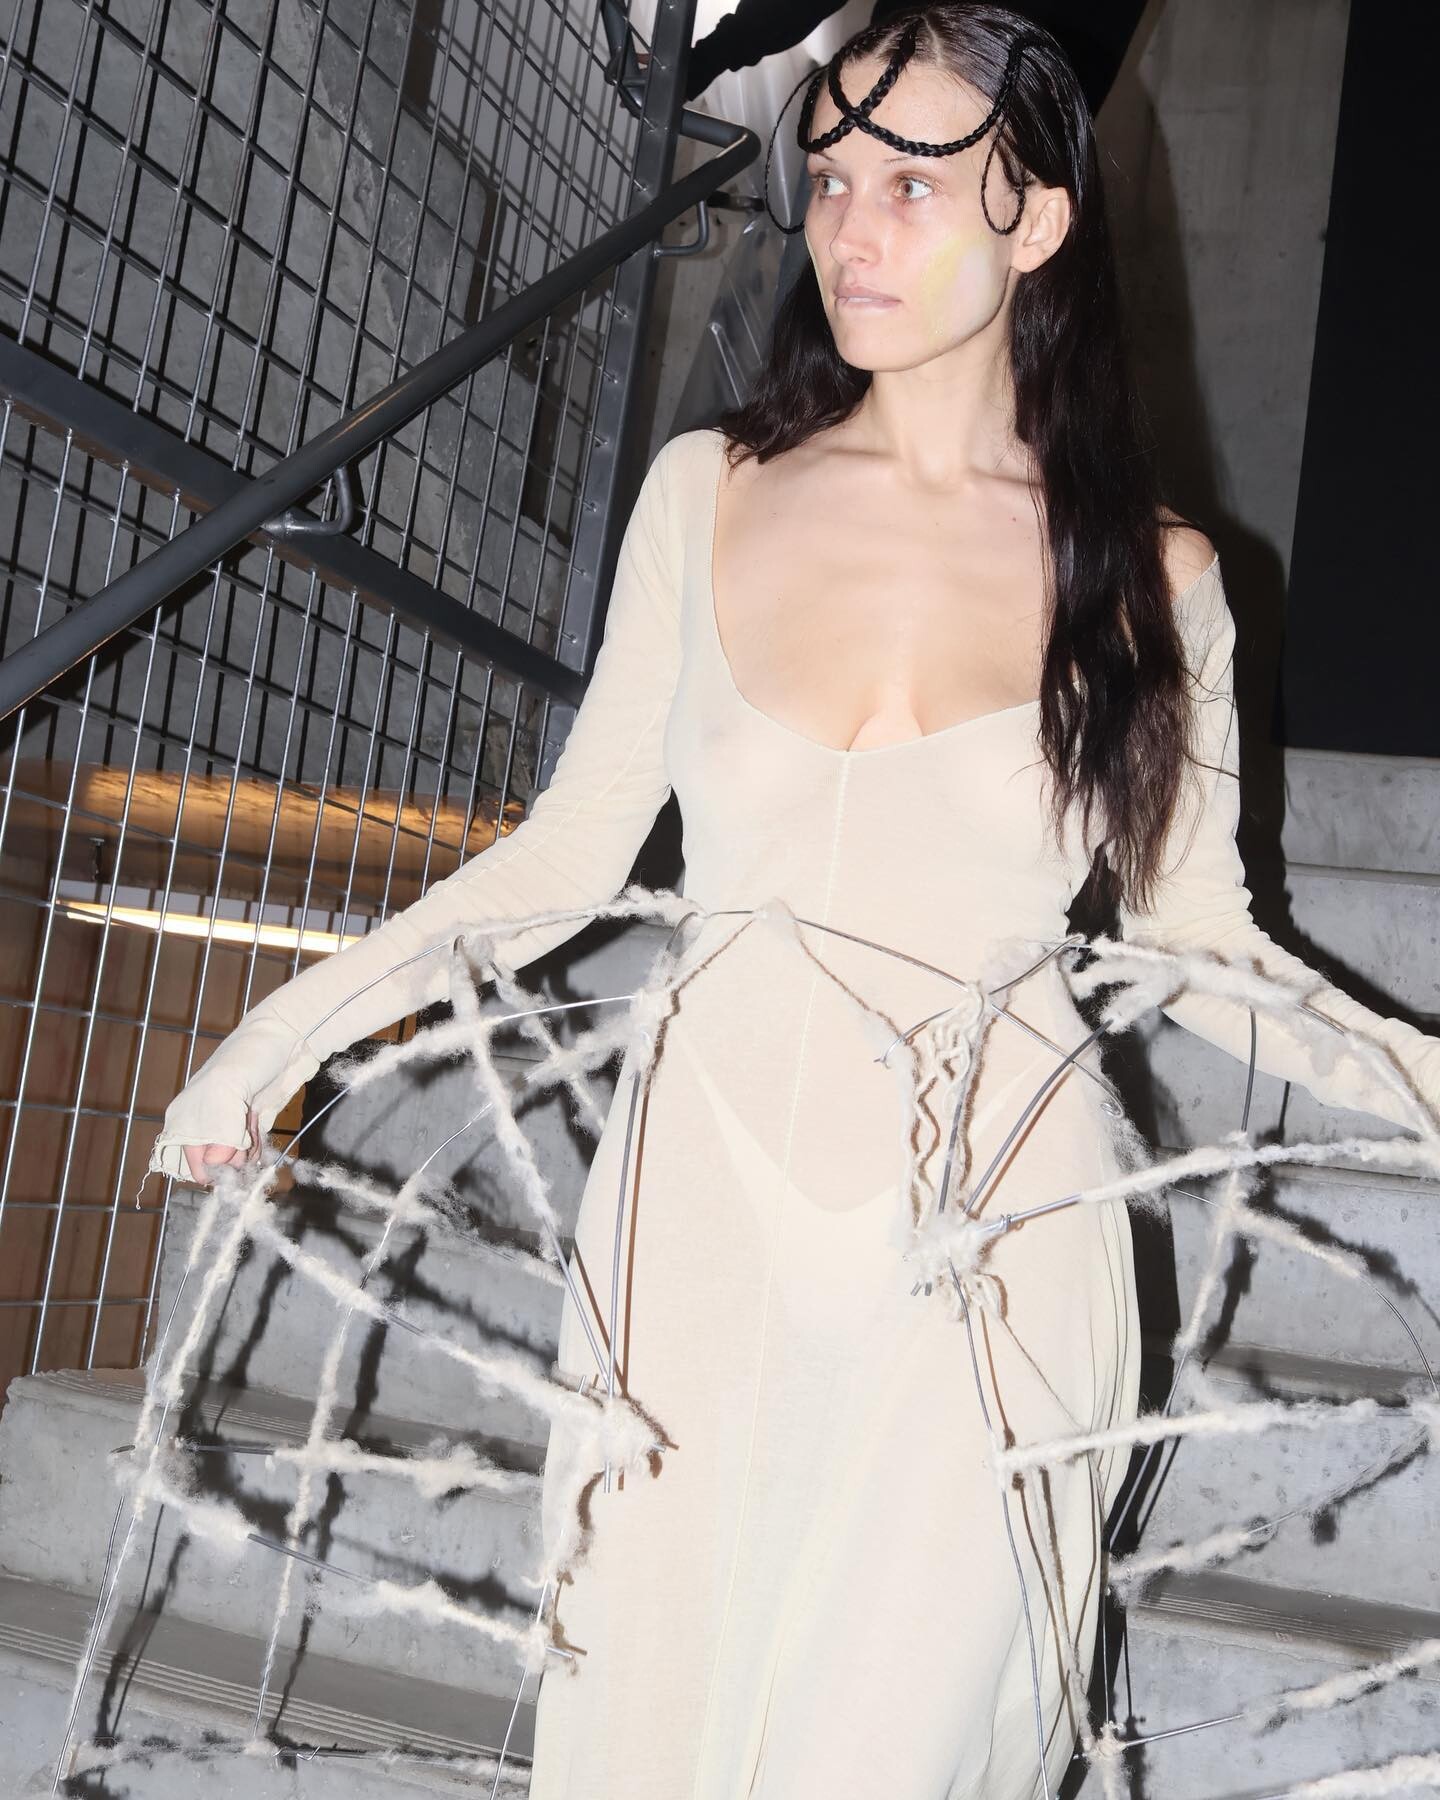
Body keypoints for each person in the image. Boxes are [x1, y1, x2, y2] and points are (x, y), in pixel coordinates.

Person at [152, 7, 1440, 1796]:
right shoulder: (708, 494)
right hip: (697, 1198)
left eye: (915, 183)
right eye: (831, 178)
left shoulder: (1156, 582)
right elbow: (566, 856)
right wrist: (275, 1042)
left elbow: (1202, 949)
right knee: (651, 1744)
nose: (852, 227)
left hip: (998, 1229)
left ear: (1037, 220)